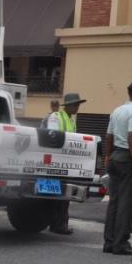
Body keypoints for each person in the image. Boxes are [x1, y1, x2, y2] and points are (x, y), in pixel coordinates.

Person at [102, 82, 132, 255]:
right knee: (126, 204)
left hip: (115, 157)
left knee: (114, 201)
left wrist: (108, 156)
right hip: (127, 158)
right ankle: (120, 243)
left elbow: (108, 136)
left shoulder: (117, 110)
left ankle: (109, 241)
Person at [45, 92, 86, 235]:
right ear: (68, 106)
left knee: (63, 196)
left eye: (78, 105)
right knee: (59, 196)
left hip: (66, 163)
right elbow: (52, 138)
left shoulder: (71, 120)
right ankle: (58, 224)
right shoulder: (56, 117)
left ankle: (59, 224)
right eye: (75, 105)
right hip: (57, 162)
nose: (77, 107)